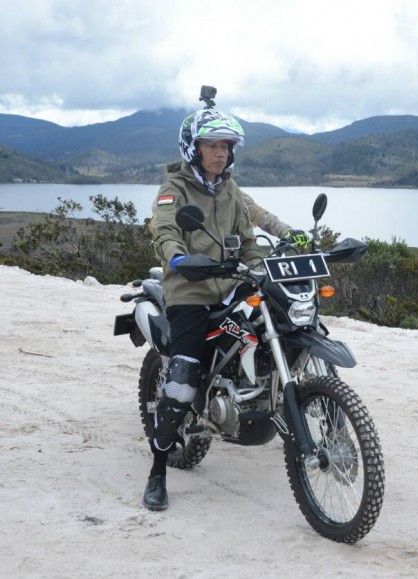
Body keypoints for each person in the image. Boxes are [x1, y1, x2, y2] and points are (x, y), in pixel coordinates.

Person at [143, 104, 264, 511]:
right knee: (181, 379)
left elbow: (247, 240)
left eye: (227, 146)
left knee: (267, 326)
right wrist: (177, 258)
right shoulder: (173, 188)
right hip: (189, 291)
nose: (221, 153)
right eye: (212, 145)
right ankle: (158, 469)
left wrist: (258, 268)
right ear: (193, 147)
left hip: (229, 286)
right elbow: (164, 229)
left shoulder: (229, 189)